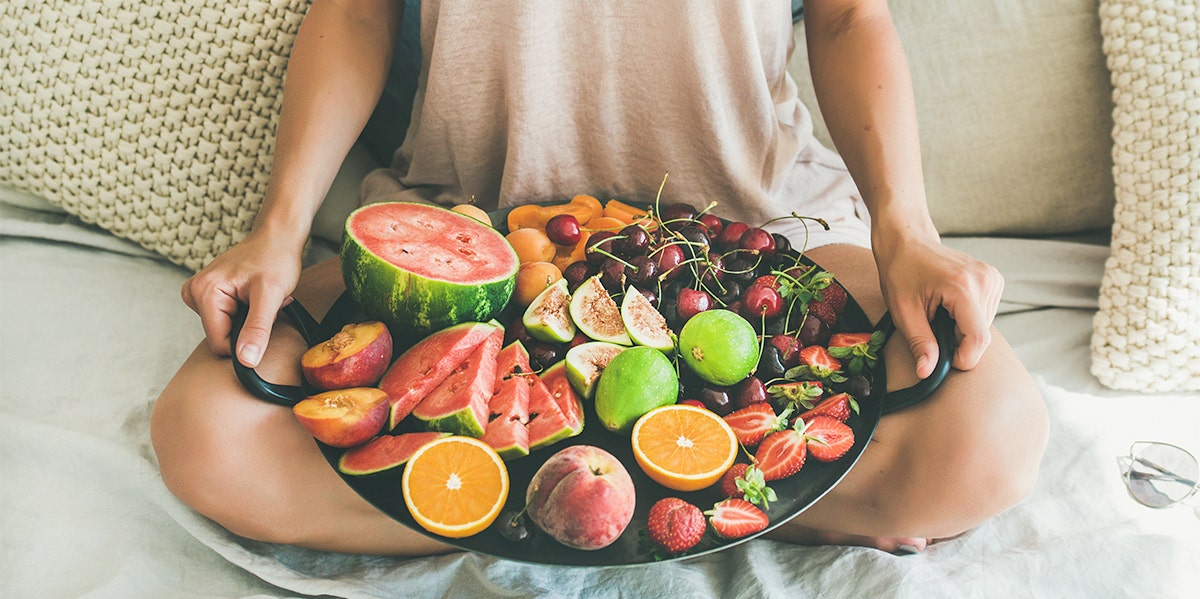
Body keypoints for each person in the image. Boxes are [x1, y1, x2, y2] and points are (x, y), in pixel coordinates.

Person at [151, 0, 1048, 556]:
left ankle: (483, 506)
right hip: (468, 230)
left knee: (992, 434)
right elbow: (354, 10)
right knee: (205, 434)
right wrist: (275, 231)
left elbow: (852, 16)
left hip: (756, 229)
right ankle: (705, 514)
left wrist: (906, 228)